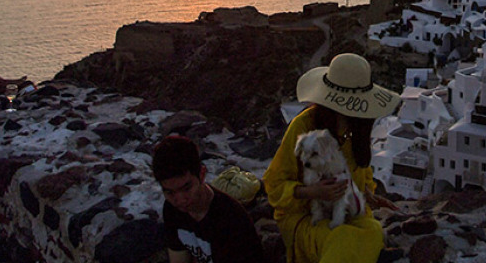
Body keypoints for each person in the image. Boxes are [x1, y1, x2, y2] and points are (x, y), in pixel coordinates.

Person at [264, 53, 400, 263]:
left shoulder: (357, 130)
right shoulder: (303, 127)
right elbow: (274, 184)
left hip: (344, 210)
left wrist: (366, 195)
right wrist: (313, 191)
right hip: (305, 214)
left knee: (373, 230)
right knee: (340, 239)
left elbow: (358, 175)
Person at [152, 135, 268, 263]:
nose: (180, 200)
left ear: (201, 174)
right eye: (170, 192)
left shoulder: (231, 219)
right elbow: (178, 256)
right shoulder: (172, 209)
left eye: (187, 188)